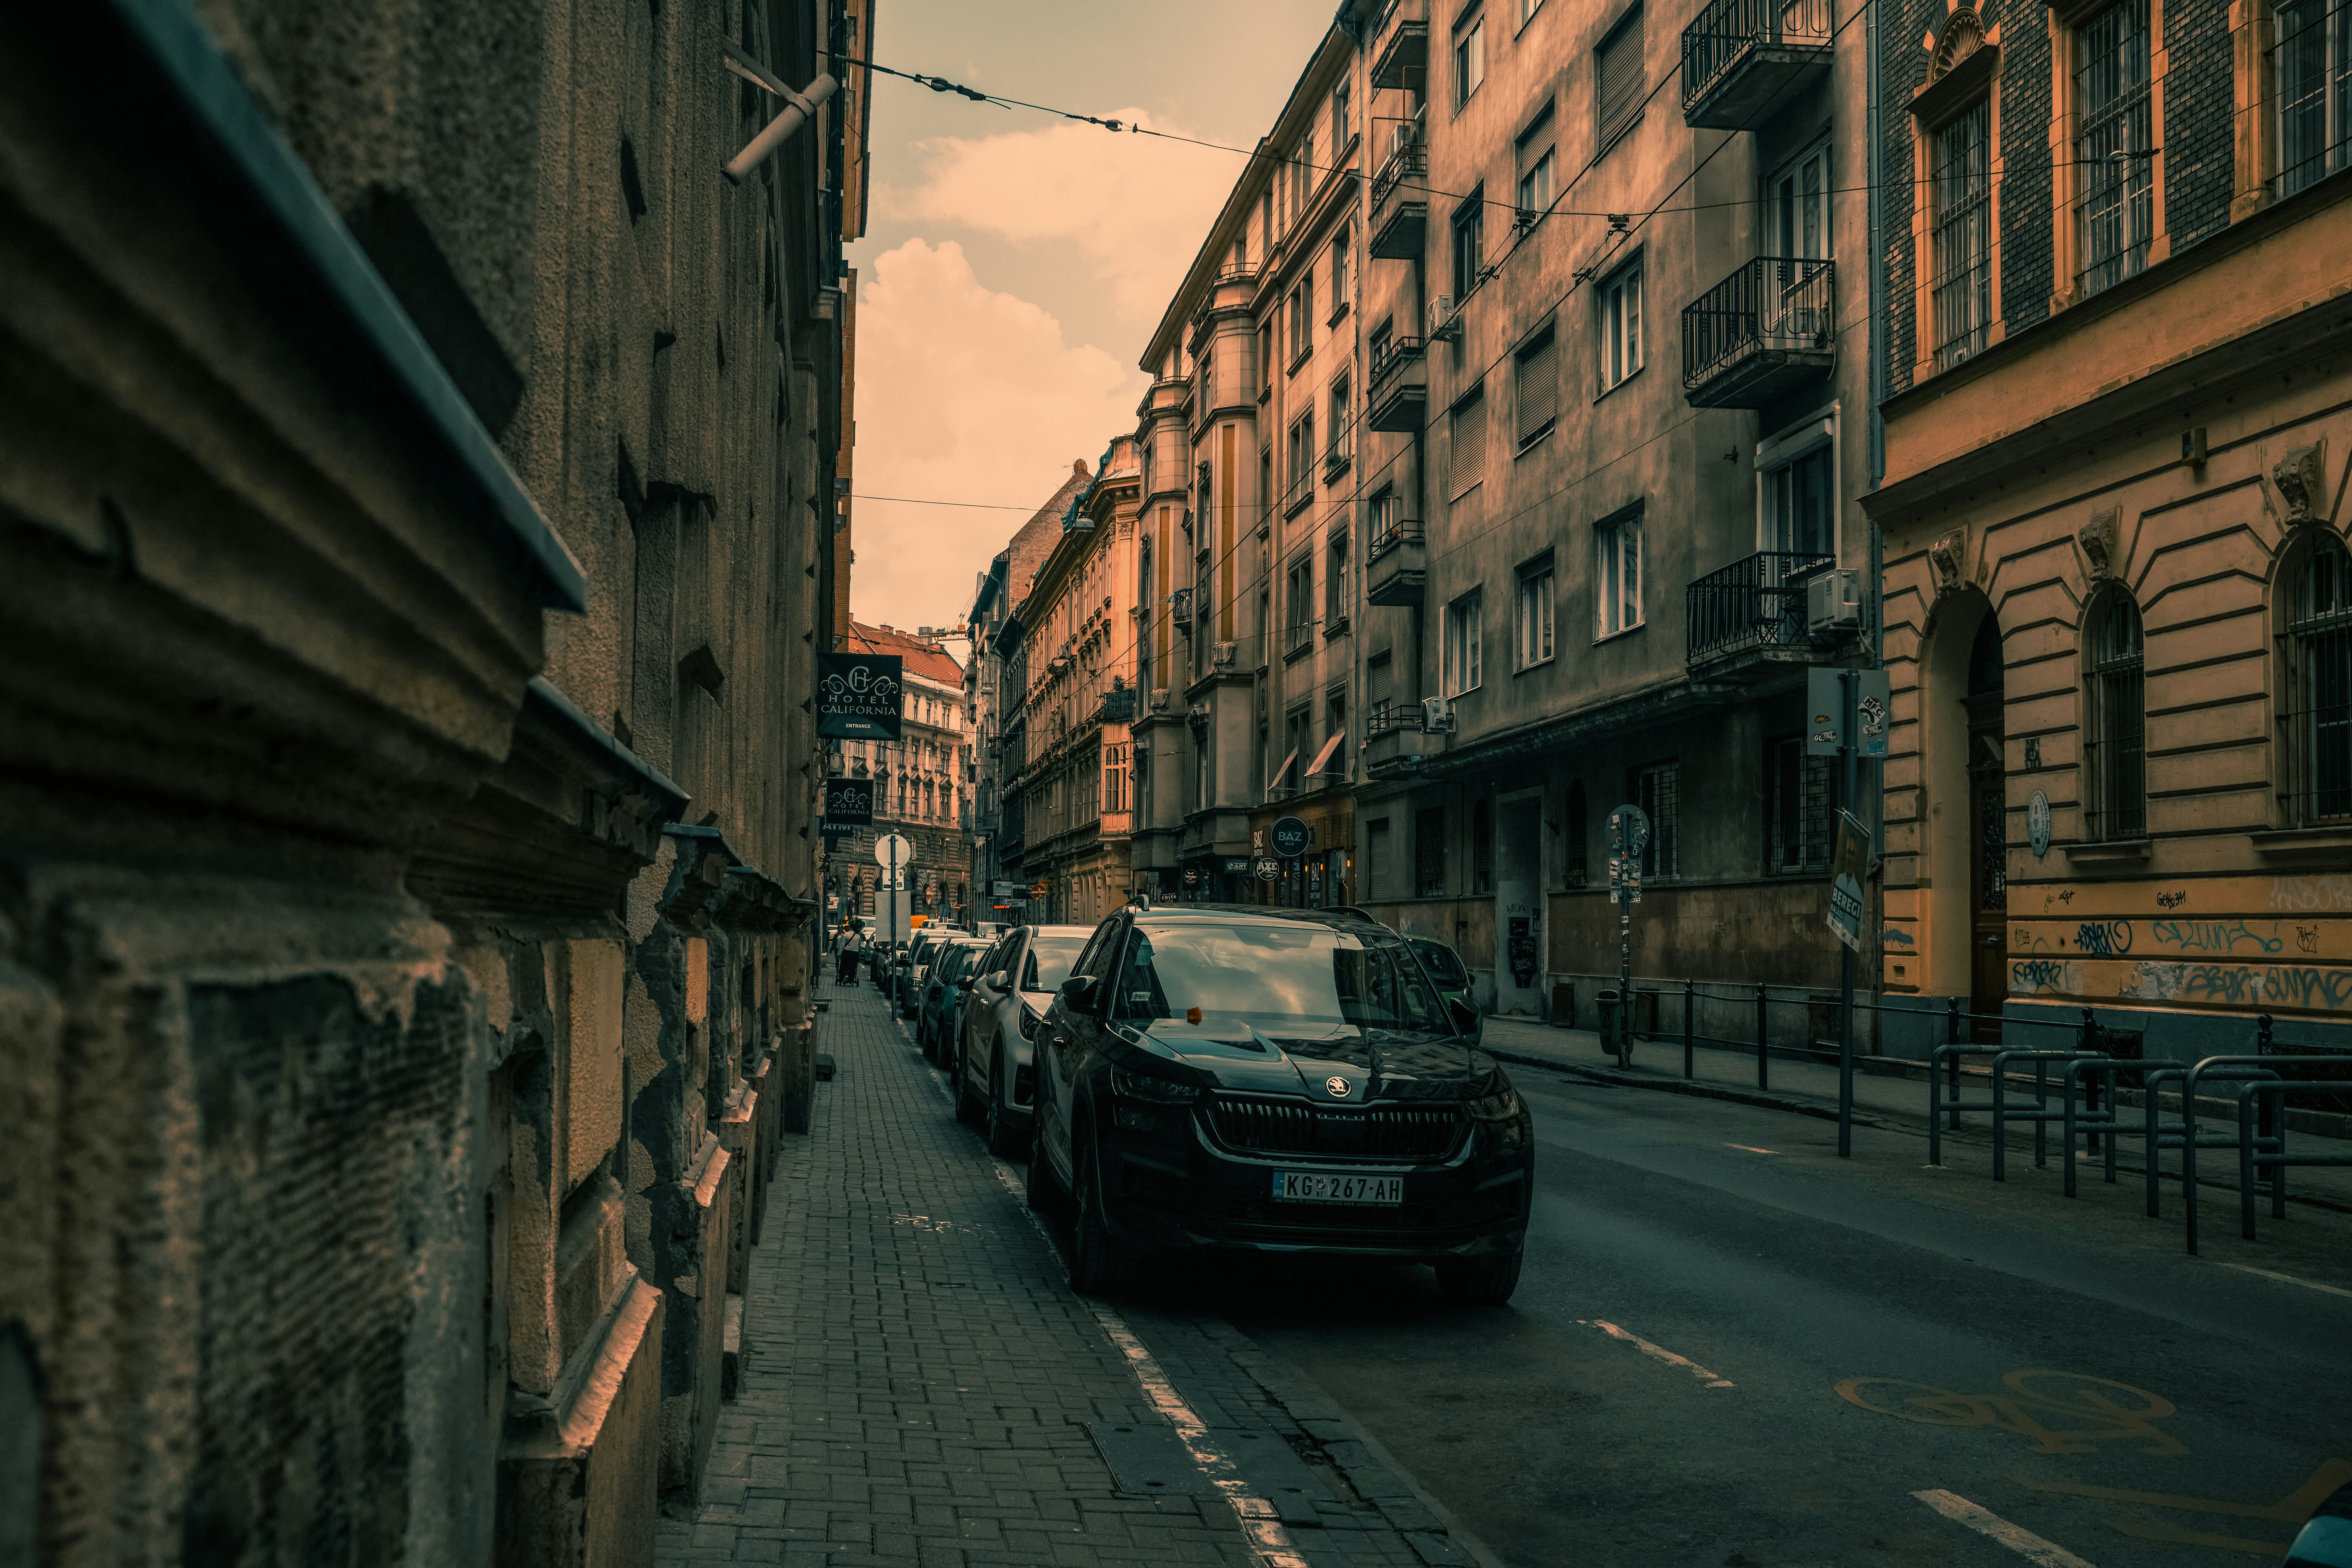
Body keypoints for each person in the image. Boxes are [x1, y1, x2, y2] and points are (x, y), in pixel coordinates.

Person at [835, 920, 863, 985]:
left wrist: (839, 954)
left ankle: (844, 977)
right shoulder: (858, 936)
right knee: (853, 967)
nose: (848, 928)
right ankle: (851, 981)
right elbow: (859, 945)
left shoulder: (846, 935)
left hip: (846, 952)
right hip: (855, 953)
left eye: (849, 927)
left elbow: (842, 945)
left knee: (844, 965)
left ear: (852, 928)